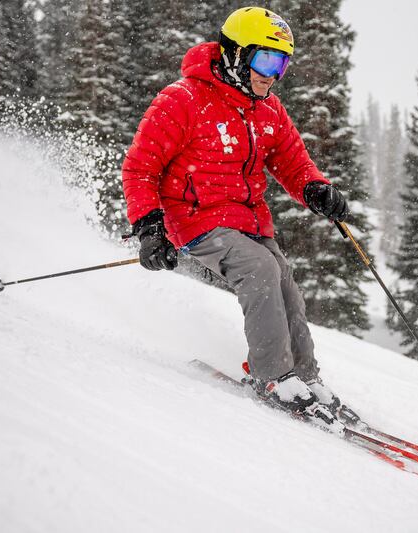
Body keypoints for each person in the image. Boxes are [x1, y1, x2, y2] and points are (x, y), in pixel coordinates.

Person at [121, 7, 355, 430]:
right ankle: (273, 376)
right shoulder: (183, 99)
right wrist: (150, 228)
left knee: (284, 279)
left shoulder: (268, 110)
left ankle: (306, 377)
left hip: (248, 222)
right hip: (192, 219)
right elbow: (140, 168)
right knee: (261, 268)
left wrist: (315, 189)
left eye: (281, 64)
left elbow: (293, 162)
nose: (272, 75)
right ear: (235, 53)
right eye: (265, 60)